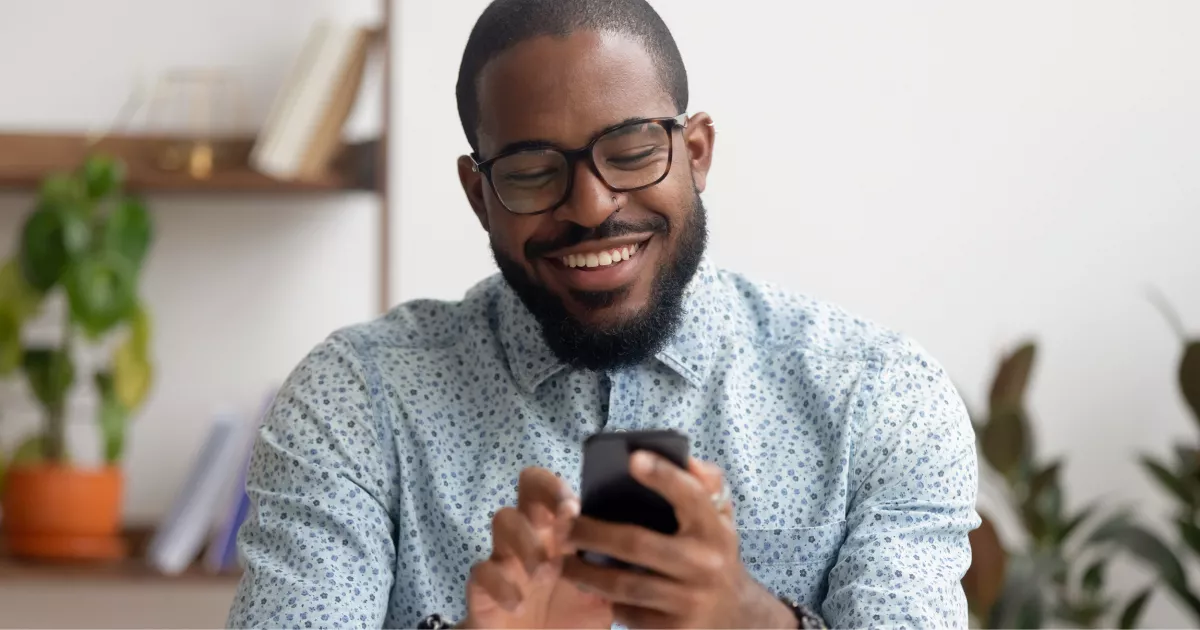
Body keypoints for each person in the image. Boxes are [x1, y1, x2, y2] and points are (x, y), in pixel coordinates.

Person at [225, 0, 980, 628]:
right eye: (530, 172)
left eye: (630, 151)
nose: (591, 207)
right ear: (477, 193)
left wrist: (748, 620)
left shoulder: (880, 400)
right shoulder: (355, 401)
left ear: (698, 153)